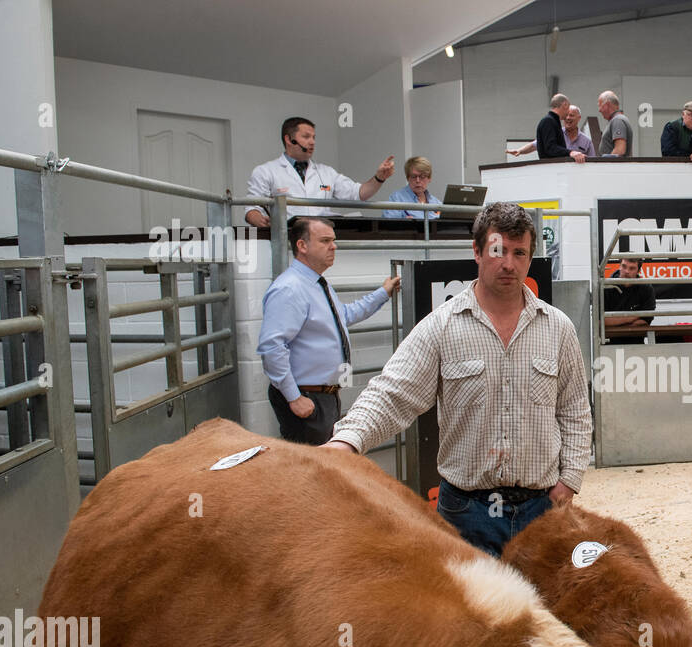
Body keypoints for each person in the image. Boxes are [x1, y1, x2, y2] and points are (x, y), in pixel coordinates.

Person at [323, 202, 592, 557]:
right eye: (498, 251)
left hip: (540, 509)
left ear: (530, 258)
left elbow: (574, 409)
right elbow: (393, 393)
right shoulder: (443, 326)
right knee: (471, 612)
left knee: (539, 608)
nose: (508, 263)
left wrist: (568, 480)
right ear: (477, 252)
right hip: (466, 514)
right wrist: (347, 441)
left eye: (519, 252)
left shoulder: (558, 328)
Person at [256, 217, 400, 444]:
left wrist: (383, 293)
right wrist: (294, 398)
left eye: (333, 240)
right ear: (302, 246)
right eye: (325, 241)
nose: (334, 246)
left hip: (323, 397)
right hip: (306, 398)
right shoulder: (289, 288)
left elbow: (345, 315)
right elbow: (272, 346)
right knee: (309, 471)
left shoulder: (316, 284)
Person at [245, 117, 395, 228]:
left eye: (314, 137)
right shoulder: (265, 171)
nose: (312, 142)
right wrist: (258, 219)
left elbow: (358, 193)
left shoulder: (326, 172)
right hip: (287, 239)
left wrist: (379, 178)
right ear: (289, 140)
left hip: (320, 238)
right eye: (306, 137)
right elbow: (252, 208)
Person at [512, 99, 594, 162]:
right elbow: (534, 145)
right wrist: (519, 151)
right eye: (566, 115)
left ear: (579, 118)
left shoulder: (587, 141)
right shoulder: (555, 132)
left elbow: (593, 161)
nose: (568, 118)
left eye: (571, 115)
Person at [602, 256, 655, 344]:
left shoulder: (646, 288)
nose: (627, 271)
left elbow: (646, 321)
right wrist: (633, 317)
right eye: (624, 266)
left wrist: (615, 322)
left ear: (638, 271)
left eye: (632, 268)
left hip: (636, 344)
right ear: (619, 266)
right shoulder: (606, 287)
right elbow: (600, 322)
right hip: (609, 344)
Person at [597, 90, 634, 157]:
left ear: (607, 105)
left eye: (600, 105)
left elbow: (619, 150)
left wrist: (606, 163)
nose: (599, 110)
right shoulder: (617, 120)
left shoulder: (617, 121)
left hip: (614, 167)